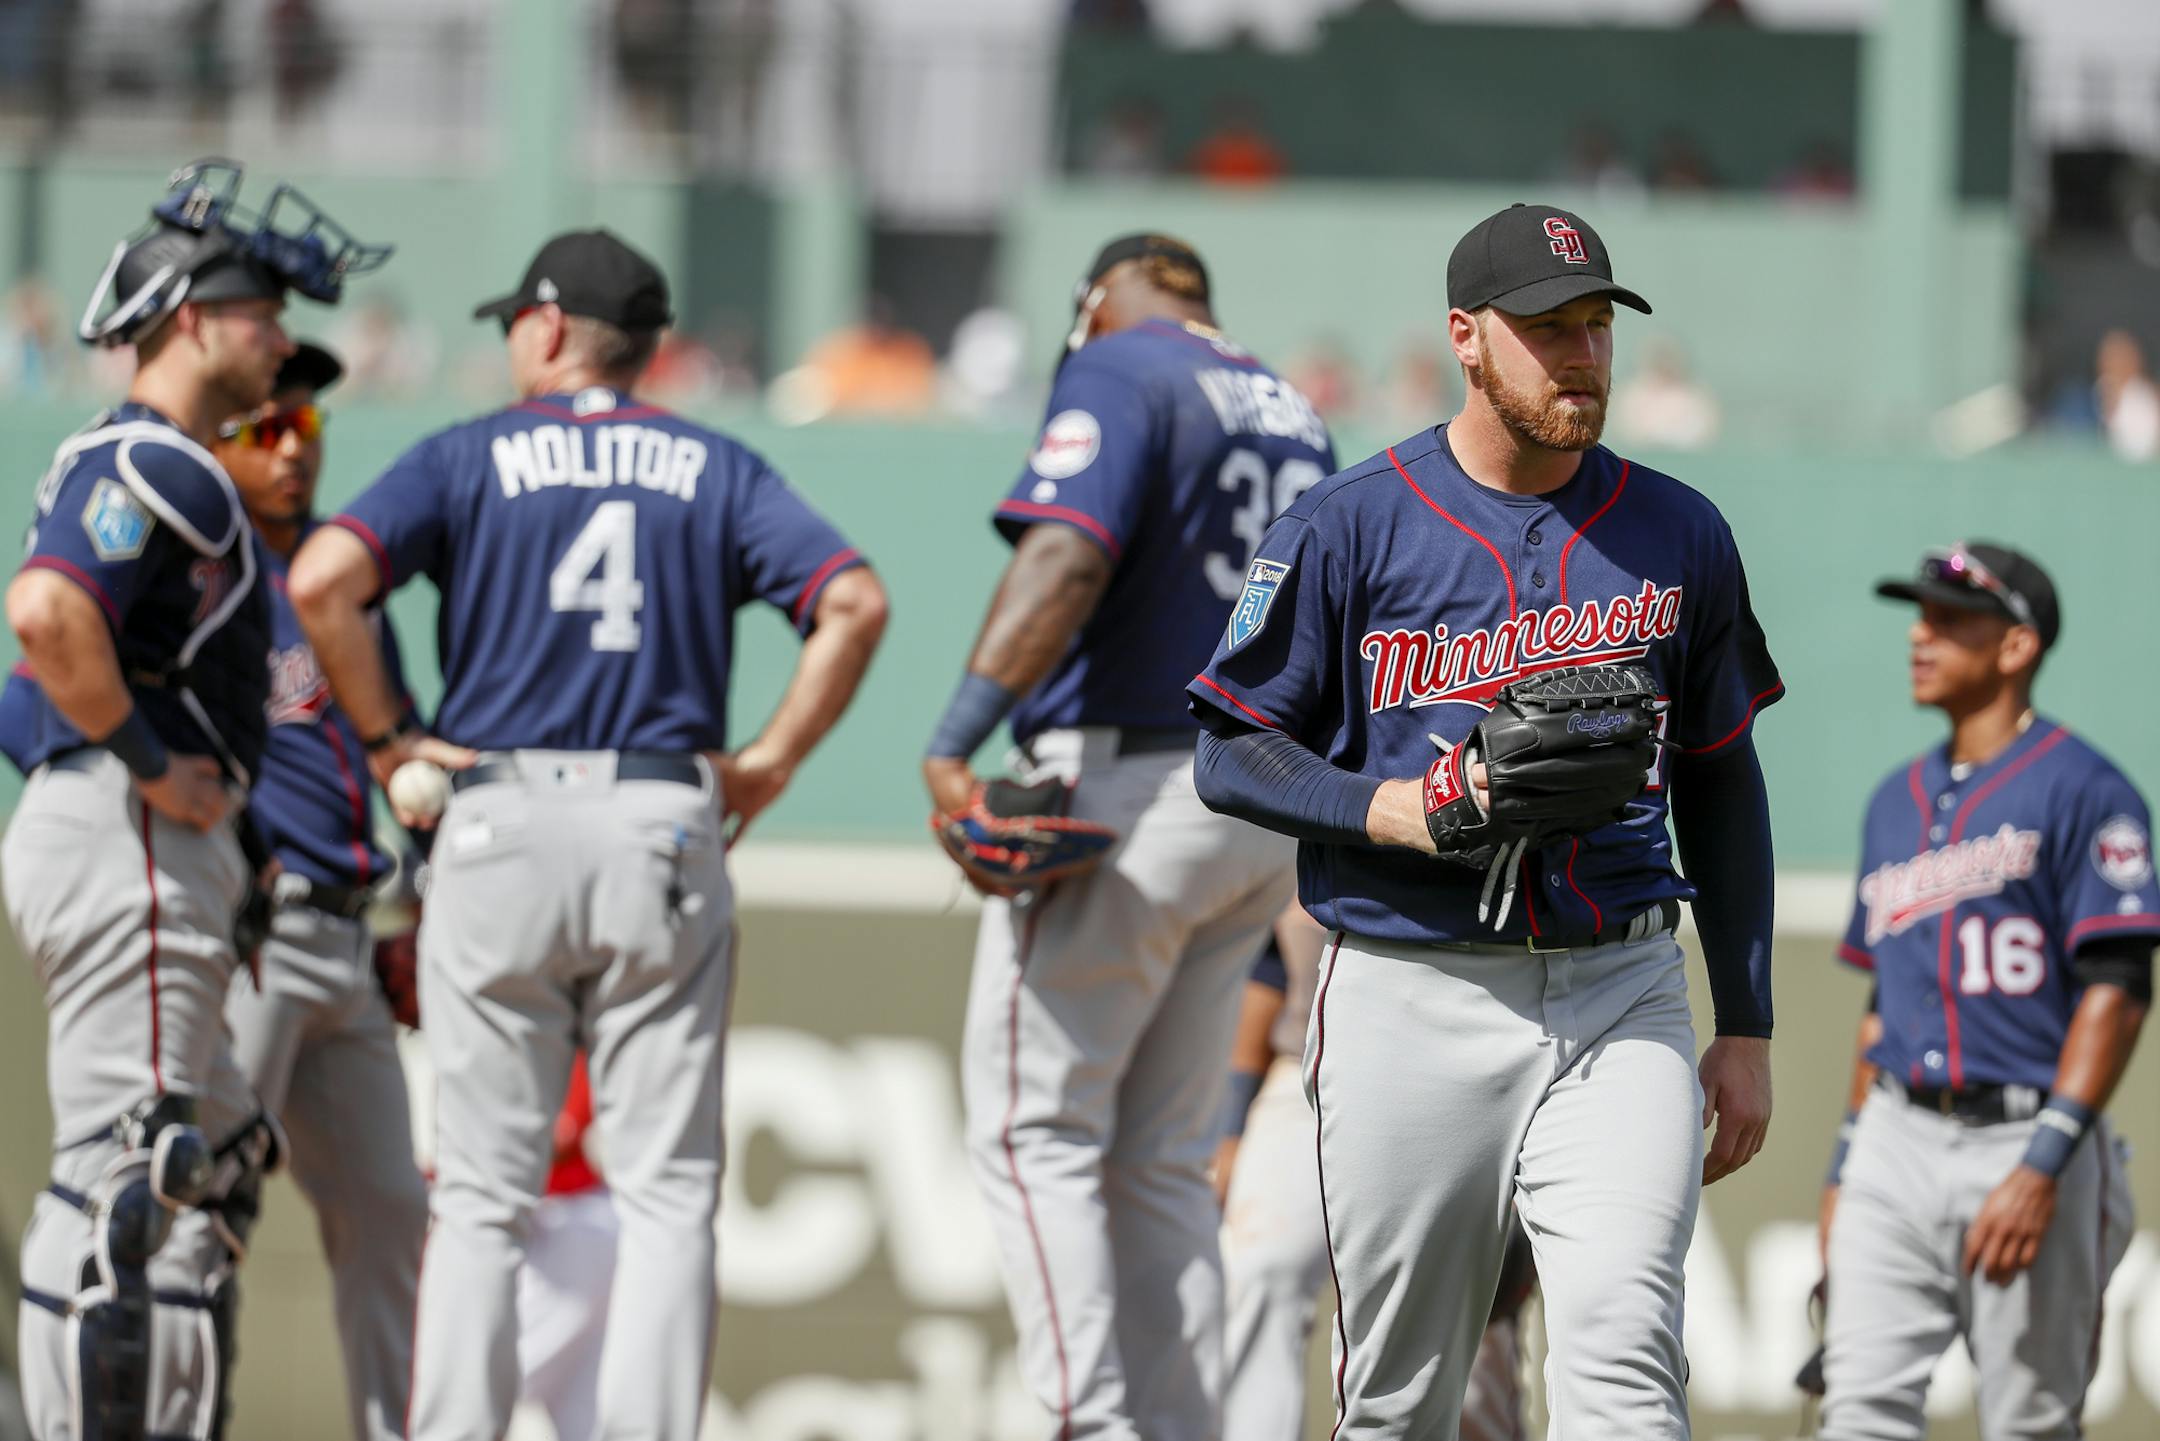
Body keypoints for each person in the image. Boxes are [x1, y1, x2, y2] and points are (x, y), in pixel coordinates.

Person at [1186, 202, 1782, 1438]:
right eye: (1547, 329)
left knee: (1625, 1361)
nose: (1581, 355)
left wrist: (1749, 1021)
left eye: (1596, 326)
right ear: (1467, 338)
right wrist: (1387, 807)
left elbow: (1723, 774)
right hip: (1414, 986)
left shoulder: (1681, 532)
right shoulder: (1351, 523)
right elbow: (1230, 747)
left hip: (1624, 986)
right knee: (1400, 1397)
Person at [288, 227, 888, 1441]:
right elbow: (853, 600)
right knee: (666, 1192)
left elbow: (322, 582)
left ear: (551, 328)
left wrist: (396, 737)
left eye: (519, 317)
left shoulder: (468, 454)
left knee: (480, 1200)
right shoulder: (712, 462)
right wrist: (765, 765)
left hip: (497, 814)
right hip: (659, 817)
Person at [922, 233, 1334, 1440]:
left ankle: (1083, 1422)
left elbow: (1064, 553)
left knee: (1030, 1125)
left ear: (1099, 301)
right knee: (1158, 1156)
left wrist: (956, 738)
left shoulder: (1121, 364)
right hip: (1255, 804)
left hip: (1126, 787)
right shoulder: (1296, 405)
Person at [1, 157, 384, 1441]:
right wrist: (150, 763)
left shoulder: (150, 462)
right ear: (189, 320)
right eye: (262, 310)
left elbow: (30, 682)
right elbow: (45, 617)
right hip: (138, 833)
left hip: (120, 828)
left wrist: (92, 754)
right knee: (133, 1168)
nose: (283, 337)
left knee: (212, 1156)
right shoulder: (160, 456)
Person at [1817, 543, 2149, 1440]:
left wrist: (2045, 1163)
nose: (1921, 635)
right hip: (1894, 1130)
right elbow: (1882, 1005)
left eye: (1950, 618)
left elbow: (2118, 988)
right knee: (1857, 1415)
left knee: (2031, 1425)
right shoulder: (1893, 800)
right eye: (1918, 616)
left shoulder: (2089, 788)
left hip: (2025, 1134)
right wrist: (1847, 1166)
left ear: (2016, 646)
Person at [216, 338, 430, 1441]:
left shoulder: (347, 583)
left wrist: (421, 902)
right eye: (265, 428)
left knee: (393, 1211)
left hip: (350, 937)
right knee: (201, 1208)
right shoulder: (205, 579)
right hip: (255, 933)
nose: (292, 448)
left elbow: (402, 755)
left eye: (305, 426)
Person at [1214, 906, 1535, 1441]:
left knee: (1464, 1323)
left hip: (1464, 1066)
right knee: (1258, 1266)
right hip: (1307, 1070)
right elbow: (1269, 968)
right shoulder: (1283, 823)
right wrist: (1229, 1124)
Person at [516, 1053, 618, 1441]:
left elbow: (559, 1135)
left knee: (469, 1390)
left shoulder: (565, 1033)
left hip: (573, 1221)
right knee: (586, 1414)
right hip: (563, 1224)